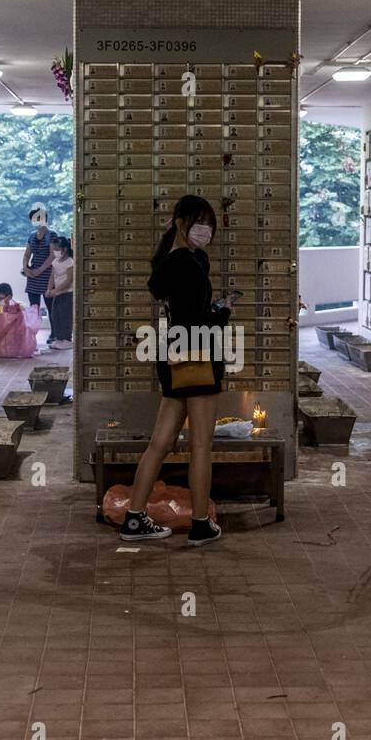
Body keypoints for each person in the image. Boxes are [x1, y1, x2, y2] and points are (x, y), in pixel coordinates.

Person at [121, 195, 231, 547]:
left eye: (210, 224)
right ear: (181, 223)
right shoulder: (189, 262)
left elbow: (174, 303)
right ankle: (200, 523)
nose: (206, 230)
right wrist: (222, 312)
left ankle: (135, 519)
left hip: (172, 354)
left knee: (160, 442)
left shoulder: (170, 260)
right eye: (200, 223)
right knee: (201, 444)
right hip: (198, 354)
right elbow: (198, 316)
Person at [21, 203, 57, 342]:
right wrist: (26, 268)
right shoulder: (31, 236)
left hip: (47, 276)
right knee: (33, 308)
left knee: (50, 307)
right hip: (33, 276)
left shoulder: (52, 235)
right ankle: (32, 335)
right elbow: (26, 254)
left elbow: (52, 256)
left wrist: (39, 270)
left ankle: (54, 334)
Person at [0, 283, 39, 358]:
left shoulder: (19, 307)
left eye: (1, 298)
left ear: (9, 297)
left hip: (17, 340)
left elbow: (25, 326)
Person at [44, 236, 74, 351]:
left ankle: (66, 340)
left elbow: (68, 280)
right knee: (55, 316)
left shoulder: (70, 262)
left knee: (65, 316)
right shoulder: (55, 261)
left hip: (67, 293)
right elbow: (52, 276)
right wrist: (49, 290)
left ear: (64, 249)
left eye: (56, 249)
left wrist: (56, 291)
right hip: (57, 294)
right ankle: (59, 338)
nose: (54, 252)